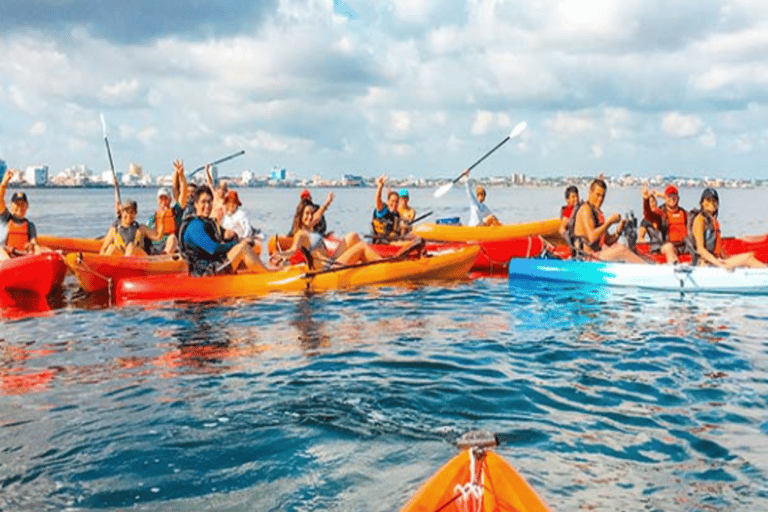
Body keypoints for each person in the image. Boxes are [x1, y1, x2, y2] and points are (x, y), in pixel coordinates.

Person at [179, 186, 269, 276]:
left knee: (246, 251)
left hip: (215, 266)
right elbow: (213, 249)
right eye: (203, 202)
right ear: (196, 204)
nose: (207, 206)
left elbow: (223, 233)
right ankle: (270, 276)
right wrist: (237, 243)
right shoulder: (195, 225)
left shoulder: (208, 222)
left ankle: (266, 272)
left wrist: (230, 235)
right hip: (205, 274)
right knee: (243, 248)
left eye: (209, 202)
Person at [277, 200, 383, 270]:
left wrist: (328, 202)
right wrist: (281, 255)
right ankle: (384, 265)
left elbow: (319, 214)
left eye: (311, 213)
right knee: (362, 246)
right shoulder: (301, 234)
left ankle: (367, 264)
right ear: (300, 216)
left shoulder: (310, 227)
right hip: (327, 268)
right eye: (307, 214)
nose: (310, 217)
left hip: (331, 261)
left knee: (353, 236)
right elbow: (293, 249)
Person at [568, 178, 645, 263]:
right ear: (590, 192)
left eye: (603, 196)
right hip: (585, 259)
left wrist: (618, 231)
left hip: (596, 255)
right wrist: (609, 222)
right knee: (622, 250)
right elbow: (592, 237)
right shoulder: (586, 209)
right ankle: (650, 272)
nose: (600, 199)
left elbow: (608, 241)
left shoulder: (596, 212)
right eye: (598, 195)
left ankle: (650, 267)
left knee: (623, 247)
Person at [690, 188, 765, 269]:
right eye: (708, 200)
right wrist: (719, 264)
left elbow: (718, 248)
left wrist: (728, 259)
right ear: (701, 203)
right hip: (704, 264)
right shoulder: (700, 219)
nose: (711, 203)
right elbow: (700, 249)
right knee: (748, 258)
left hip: (716, 260)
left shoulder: (712, 220)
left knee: (749, 256)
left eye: (714, 200)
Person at [0, 169, 47, 260]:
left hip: (21, 260)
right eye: (17, 204)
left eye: (22, 204)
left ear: (27, 207)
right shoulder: (5, 218)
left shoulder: (30, 226)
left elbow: (34, 242)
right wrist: (4, 183)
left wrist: (32, 246)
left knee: (38, 250)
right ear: (12, 206)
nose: (20, 207)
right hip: (5, 259)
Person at [99, 199, 166, 257]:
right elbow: (103, 249)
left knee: (131, 246)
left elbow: (158, 236)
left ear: (135, 215)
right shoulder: (114, 231)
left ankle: (125, 267)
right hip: (122, 261)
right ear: (122, 212)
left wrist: (161, 218)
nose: (129, 215)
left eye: (132, 212)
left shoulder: (141, 228)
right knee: (111, 248)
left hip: (140, 259)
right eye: (127, 212)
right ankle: (104, 268)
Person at [642, 184, 688, 263]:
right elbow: (648, 215)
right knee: (669, 247)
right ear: (665, 199)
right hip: (665, 245)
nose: (672, 199)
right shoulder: (661, 213)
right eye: (669, 196)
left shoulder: (684, 213)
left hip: (683, 245)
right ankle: (673, 266)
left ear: (678, 198)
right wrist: (645, 200)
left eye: (674, 196)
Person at [145, 187, 181, 255]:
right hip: (156, 245)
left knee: (172, 237)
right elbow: (148, 231)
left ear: (170, 200)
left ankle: (165, 254)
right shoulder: (153, 217)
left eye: (166, 198)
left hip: (170, 244)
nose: (163, 201)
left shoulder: (176, 212)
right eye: (161, 198)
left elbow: (182, 195)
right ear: (157, 200)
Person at [371, 175, 402, 241]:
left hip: (391, 243)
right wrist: (380, 187)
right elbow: (378, 200)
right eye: (392, 201)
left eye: (396, 202)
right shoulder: (383, 210)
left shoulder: (396, 215)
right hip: (379, 243)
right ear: (388, 201)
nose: (394, 204)